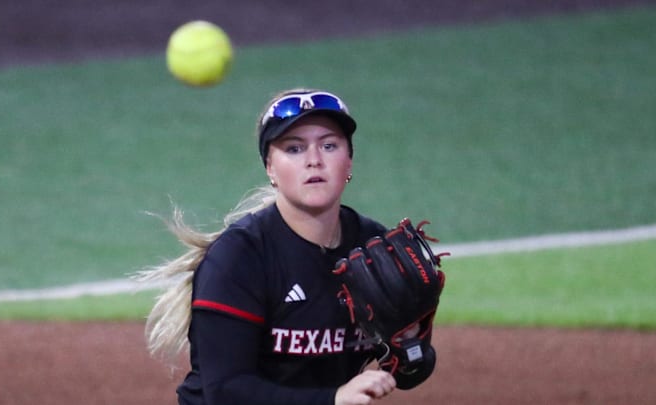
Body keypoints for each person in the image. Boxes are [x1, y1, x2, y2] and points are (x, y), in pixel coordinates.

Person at [138, 88, 436, 405]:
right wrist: (332, 399)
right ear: (270, 168)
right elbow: (225, 392)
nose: (314, 160)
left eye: (329, 145)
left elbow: (409, 372)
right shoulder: (238, 258)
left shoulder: (374, 248)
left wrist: (410, 344)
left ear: (349, 162)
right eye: (294, 148)